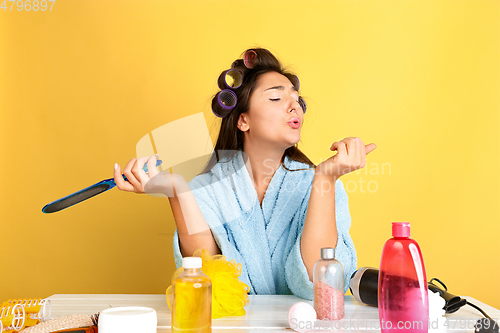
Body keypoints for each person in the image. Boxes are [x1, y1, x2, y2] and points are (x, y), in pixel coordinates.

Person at [114, 48, 376, 300]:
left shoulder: (321, 184)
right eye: (276, 98)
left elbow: (320, 285)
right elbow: (208, 275)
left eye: (297, 100)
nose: (294, 106)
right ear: (243, 120)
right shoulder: (206, 188)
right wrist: (177, 190)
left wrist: (326, 178)